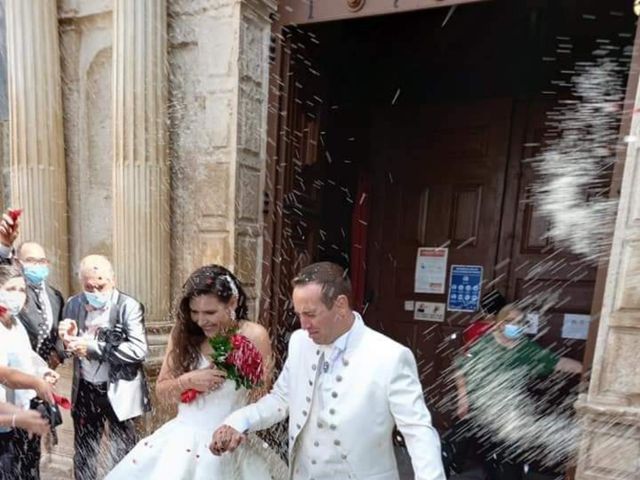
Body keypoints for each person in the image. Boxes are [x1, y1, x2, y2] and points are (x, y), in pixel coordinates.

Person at [211, 261, 446, 480]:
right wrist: (238, 420)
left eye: (310, 314)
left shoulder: (390, 356)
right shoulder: (300, 342)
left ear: (340, 306)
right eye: (299, 314)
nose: (303, 324)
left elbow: (417, 431)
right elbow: (281, 399)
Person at [105, 264, 286, 480]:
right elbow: (162, 392)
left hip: (230, 443)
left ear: (233, 303)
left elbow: (261, 399)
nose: (201, 321)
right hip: (181, 442)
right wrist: (187, 381)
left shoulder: (254, 335)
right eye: (194, 312)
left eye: (210, 312)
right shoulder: (182, 333)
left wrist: (239, 425)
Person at [454, 304, 582, 480]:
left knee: (509, 463)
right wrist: (463, 398)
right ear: (499, 324)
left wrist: (586, 368)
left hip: (510, 415)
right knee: (490, 458)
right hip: (482, 412)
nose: (516, 325)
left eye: (520, 322)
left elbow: (555, 362)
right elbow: (461, 367)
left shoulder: (524, 348)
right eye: (510, 321)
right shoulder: (484, 344)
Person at [59, 255, 150, 480]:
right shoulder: (73, 304)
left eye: (101, 285)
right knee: (84, 454)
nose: (95, 291)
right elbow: (63, 350)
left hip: (120, 391)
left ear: (113, 280)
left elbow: (138, 351)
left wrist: (92, 348)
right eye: (89, 286)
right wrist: (65, 340)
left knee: (123, 453)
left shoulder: (128, 306)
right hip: (86, 390)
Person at [0, 263, 59, 480]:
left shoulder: (16, 323)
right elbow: (3, 372)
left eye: (21, 290)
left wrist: (42, 372)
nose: (17, 295)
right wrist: (34, 383)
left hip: (20, 417)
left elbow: (26, 357)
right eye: (10, 289)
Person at [0, 211, 66, 369]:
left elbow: (60, 332)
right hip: (14, 373)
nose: (37, 265)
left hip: (46, 376)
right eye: (30, 260)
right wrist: (5, 246)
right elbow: (4, 269)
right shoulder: (13, 293)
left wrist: (59, 353)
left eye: (42, 261)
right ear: (17, 262)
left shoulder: (55, 296)